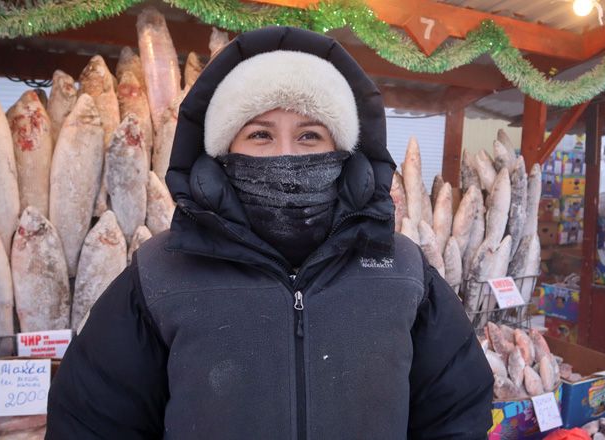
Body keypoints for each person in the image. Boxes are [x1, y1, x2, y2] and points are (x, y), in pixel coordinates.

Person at [47, 26, 494, 439]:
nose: (285, 155)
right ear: (223, 152)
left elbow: (457, 412)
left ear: (343, 150)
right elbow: (92, 422)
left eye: (309, 136)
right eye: (260, 135)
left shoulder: (405, 272)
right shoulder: (159, 276)